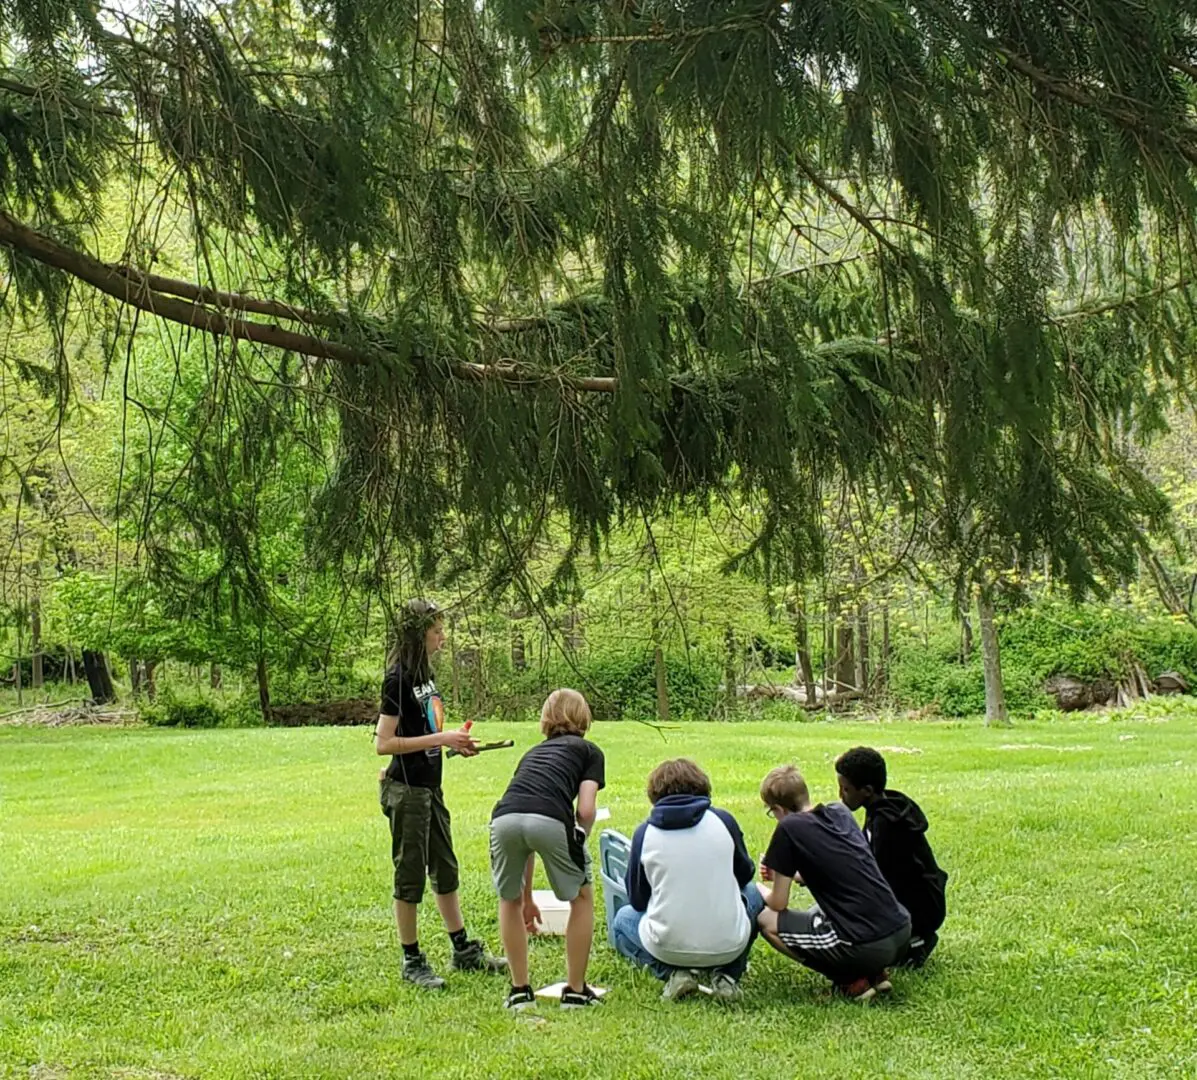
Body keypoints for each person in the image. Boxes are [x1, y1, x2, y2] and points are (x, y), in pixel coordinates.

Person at [374, 598, 505, 990]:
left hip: (431, 788)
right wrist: (442, 736)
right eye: (436, 631)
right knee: (410, 877)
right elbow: (384, 743)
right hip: (408, 791)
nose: (442, 639)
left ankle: (462, 948)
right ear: (419, 634)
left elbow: (422, 735)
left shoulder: (423, 676)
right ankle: (412, 959)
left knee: (445, 870)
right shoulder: (397, 678)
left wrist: (454, 744)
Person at [489, 688, 605, 1010]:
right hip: (551, 818)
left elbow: (525, 835)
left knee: (508, 900)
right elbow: (585, 810)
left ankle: (519, 992)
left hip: (504, 818)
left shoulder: (532, 754)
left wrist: (526, 898)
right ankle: (576, 991)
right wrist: (581, 838)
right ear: (584, 719)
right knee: (581, 899)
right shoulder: (589, 751)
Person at [612, 758, 763, 1003]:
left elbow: (637, 901)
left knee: (622, 920)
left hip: (666, 946)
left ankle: (673, 973)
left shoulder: (644, 834)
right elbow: (745, 875)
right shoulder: (723, 821)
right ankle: (727, 977)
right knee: (754, 894)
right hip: (729, 944)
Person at [757, 764, 911, 1002]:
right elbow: (841, 867)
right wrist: (794, 876)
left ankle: (850, 979)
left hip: (867, 945)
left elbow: (778, 903)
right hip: (901, 930)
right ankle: (876, 974)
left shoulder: (788, 827)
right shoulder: (839, 812)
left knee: (766, 921)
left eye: (771, 811)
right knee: (821, 911)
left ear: (779, 809)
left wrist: (756, 887)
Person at [835, 746, 948, 967]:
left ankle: (914, 940)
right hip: (927, 901)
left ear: (867, 790)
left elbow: (873, 876)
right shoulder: (888, 805)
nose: (840, 795)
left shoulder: (887, 824)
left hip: (921, 908)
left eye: (845, 789)